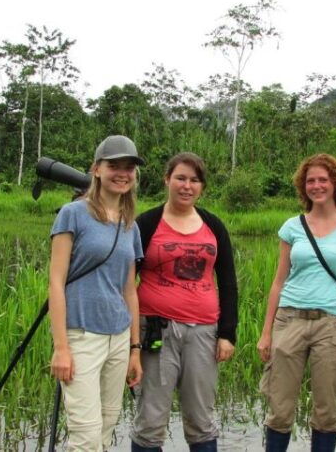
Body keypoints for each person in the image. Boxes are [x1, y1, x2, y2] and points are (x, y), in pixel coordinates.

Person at [258, 153, 336, 452]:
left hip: (334, 324)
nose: (317, 186)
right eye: (310, 180)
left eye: (323, 179)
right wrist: (266, 332)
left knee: (326, 409)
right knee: (280, 408)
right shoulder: (292, 227)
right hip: (290, 319)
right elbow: (278, 282)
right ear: (302, 186)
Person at [129, 152, 238, 452]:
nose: (187, 186)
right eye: (180, 178)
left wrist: (227, 334)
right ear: (167, 180)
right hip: (155, 331)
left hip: (203, 332)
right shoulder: (146, 224)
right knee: (150, 420)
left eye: (194, 180)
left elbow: (228, 282)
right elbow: (127, 283)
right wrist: (131, 340)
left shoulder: (213, 226)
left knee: (201, 420)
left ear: (201, 186)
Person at [48, 135, 145, 451]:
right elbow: (56, 283)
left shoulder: (131, 225)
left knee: (106, 427)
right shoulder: (72, 213)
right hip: (82, 336)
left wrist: (134, 349)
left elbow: (129, 291)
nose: (122, 173)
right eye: (113, 165)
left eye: (128, 167)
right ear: (96, 170)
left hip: (118, 337)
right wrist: (61, 347)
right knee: (86, 436)